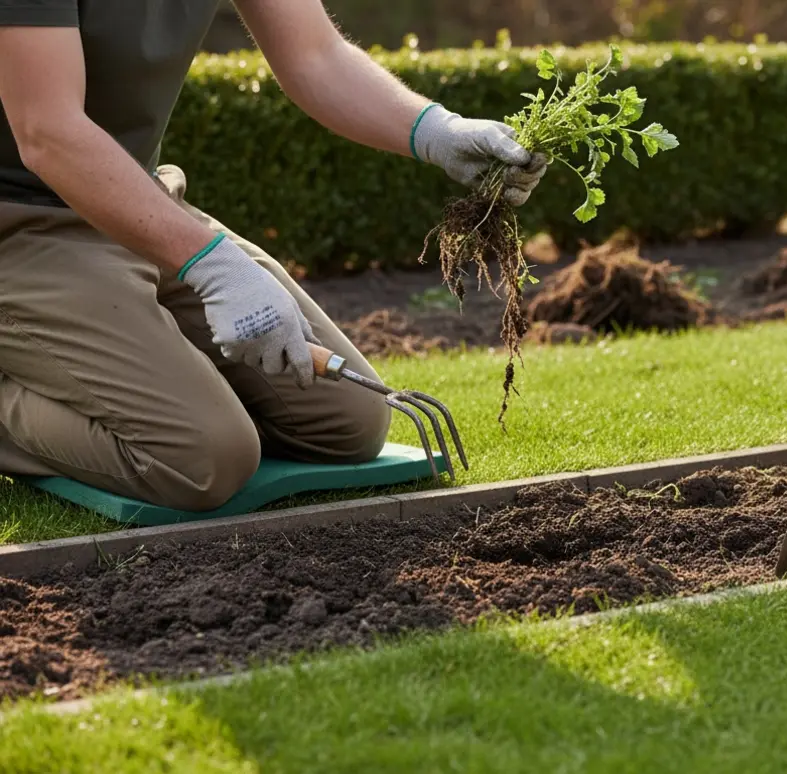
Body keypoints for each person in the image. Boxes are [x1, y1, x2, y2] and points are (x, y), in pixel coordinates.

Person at [0, 2, 548, 510]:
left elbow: (316, 55)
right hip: (20, 231)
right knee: (205, 460)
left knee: (351, 424)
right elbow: (49, 131)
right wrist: (212, 265)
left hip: (134, 203)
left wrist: (438, 132)